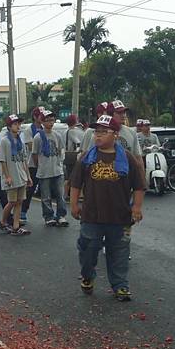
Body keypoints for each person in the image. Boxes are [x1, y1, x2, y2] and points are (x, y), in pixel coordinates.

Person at [70, 115, 145, 301]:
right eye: (97, 131)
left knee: (119, 253)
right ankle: (88, 277)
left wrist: (136, 207)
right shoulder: (88, 157)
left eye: (104, 132)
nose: (98, 136)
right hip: (91, 216)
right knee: (88, 250)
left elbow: (139, 185)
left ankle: (120, 286)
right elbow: (75, 183)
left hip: (119, 216)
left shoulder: (127, 158)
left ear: (116, 135)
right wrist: (74, 204)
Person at [0, 114, 32, 236]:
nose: (18, 126)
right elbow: (2, 160)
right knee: (11, 202)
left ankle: (16, 226)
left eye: (19, 124)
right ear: (9, 126)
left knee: (19, 201)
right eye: (15, 124)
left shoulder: (20, 142)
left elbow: (24, 160)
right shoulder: (4, 141)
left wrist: (28, 176)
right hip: (11, 177)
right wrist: (7, 176)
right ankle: (3, 221)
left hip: (21, 176)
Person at [32, 110, 68, 227]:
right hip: (44, 171)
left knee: (60, 195)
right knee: (45, 196)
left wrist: (60, 162)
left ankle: (61, 215)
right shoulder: (38, 137)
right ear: (42, 122)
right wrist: (40, 166)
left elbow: (61, 150)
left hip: (57, 169)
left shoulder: (57, 135)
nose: (50, 123)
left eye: (52, 120)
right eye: (47, 120)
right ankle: (48, 216)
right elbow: (35, 154)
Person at [21, 106, 45, 223]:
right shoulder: (29, 130)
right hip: (32, 164)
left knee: (46, 191)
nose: (43, 117)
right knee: (30, 190)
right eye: (41, 115)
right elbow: (31, 146)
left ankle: (49, 215)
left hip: (45, 164)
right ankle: (23, 211)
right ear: (35, 117)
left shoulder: (45, 128)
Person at [63, 114, 85, 201]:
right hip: (72, 155)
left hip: (67, 155)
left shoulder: (66, 131)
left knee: (69, 176)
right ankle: (66, 195)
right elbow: (78, 142)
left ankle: (66, 195)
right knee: (72, 176)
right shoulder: (72, 131)